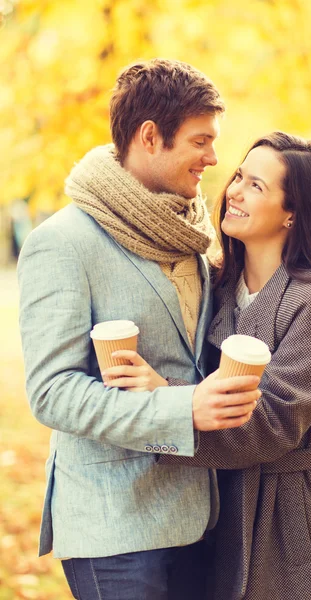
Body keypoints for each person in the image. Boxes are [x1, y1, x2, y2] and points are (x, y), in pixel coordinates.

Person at [17, 58, 263, 600]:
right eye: (200, 141)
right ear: (150, 137)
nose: (214, 158)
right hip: (115, 527)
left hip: (201, 516)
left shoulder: (187, 235)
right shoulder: (63, 243)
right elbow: (52, 393)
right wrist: (184, 408)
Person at [106, 131, 311, 600]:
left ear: (294, 212)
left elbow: (270, 425)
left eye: (257, 186)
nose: (234, 191)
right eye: (238, 177)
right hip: (206, 510)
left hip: (284, 523)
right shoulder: (216, 284)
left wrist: (161, 398)